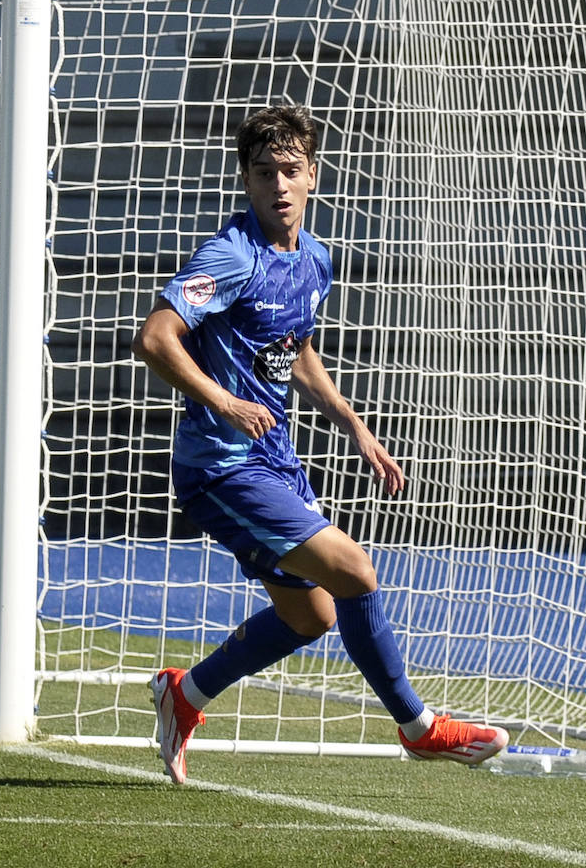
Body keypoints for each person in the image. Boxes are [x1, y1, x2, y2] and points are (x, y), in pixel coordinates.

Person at [131, 104, 508, 785]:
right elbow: (155, 338)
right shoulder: (230, 255)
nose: (279, 184)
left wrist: (351, 422)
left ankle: (183, 695)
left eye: (291, 170)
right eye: (265, 171)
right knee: (355, 572)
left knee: (311, 616)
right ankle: (419, 728)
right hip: (221, 467)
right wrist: (223, 400)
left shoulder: (313, 258)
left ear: (313, 177)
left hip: (273, 459)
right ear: (246, 181)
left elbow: (295, 347)